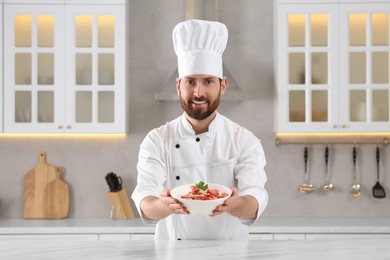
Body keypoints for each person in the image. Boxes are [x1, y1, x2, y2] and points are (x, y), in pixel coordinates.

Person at [131, 19, 268, 240]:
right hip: (173, 252)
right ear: (178, 85)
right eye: (190, 82)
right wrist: (164, 205)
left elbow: (254, 197)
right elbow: (145, 201)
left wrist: (236, 204)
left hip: (229, 253)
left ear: (222, 85)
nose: (198, 92)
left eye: (207, 82)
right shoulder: (156, 140)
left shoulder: (244, 140)